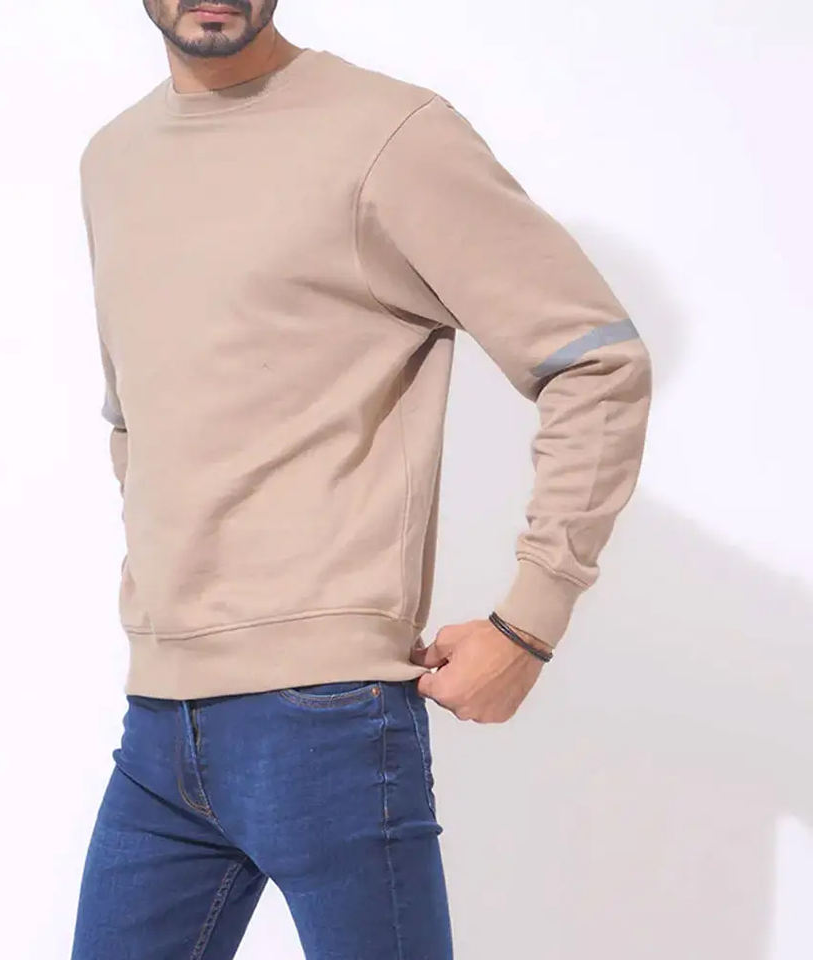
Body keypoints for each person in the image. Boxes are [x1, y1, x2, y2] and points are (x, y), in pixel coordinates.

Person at [71, 2, 653, 957]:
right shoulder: (113, 160)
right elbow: (134, 413)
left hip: (328, 718)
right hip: (157, 722)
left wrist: (531, 620)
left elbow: (595, 362)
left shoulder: (390, 135)